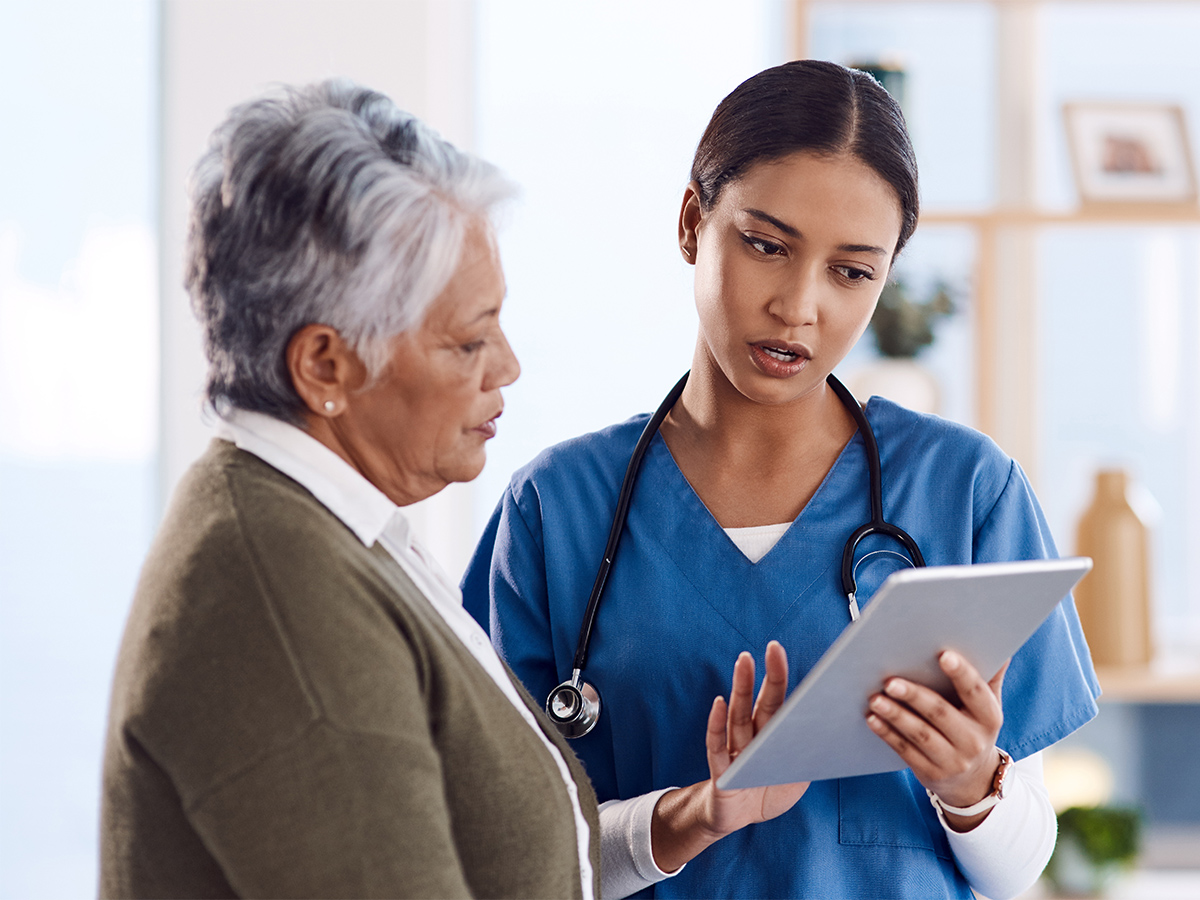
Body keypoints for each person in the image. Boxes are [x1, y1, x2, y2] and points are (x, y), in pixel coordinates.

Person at [99, 78, 806, 900]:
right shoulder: (281, 598)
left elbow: (507, 862)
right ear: (326, 364)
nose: (506, 367)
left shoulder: (331, 535)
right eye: (469, 342)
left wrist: (694, 817)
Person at [463, 60, 1100, 900]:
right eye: (766, 245)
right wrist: (687, 817)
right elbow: (507, 849)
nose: (799, 307)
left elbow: (1022, 865)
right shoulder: (555, 510)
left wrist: (970, 783)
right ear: (693, 222)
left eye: (851, 271)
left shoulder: (968, 491)